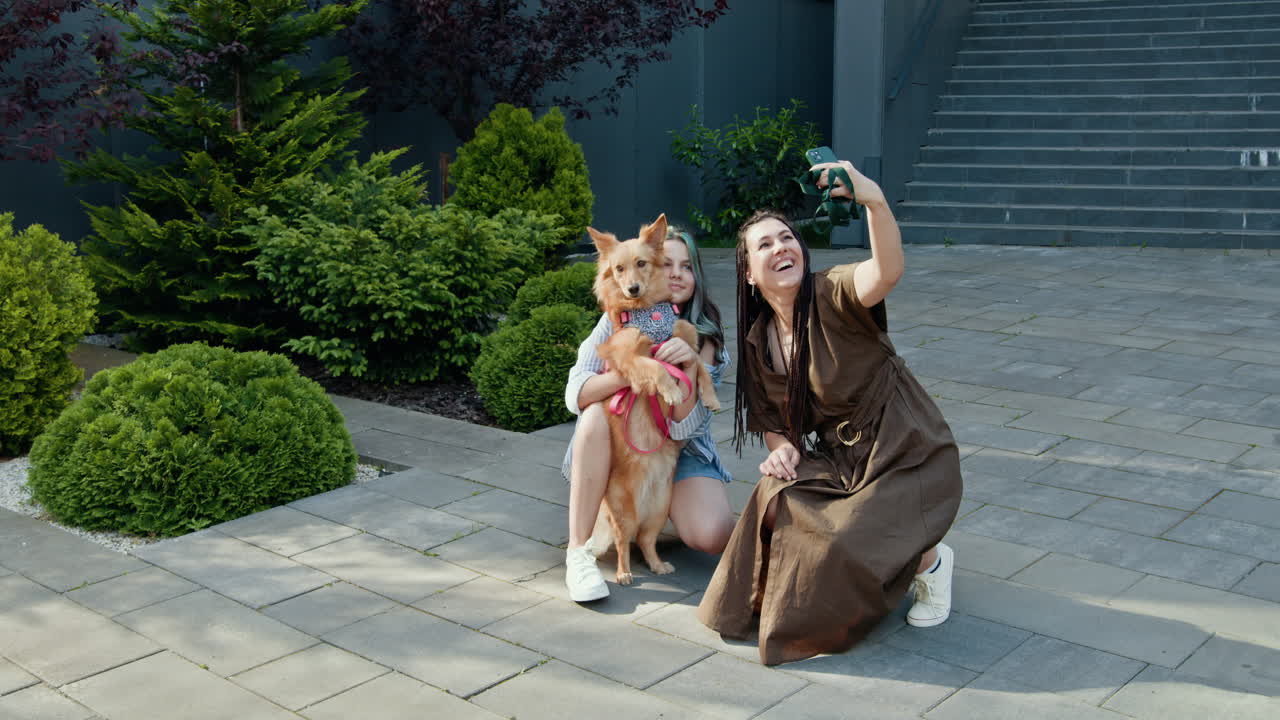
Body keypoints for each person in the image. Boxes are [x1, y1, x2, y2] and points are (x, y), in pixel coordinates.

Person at [695, 159, 963, 665]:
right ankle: (767, 601)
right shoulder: (759, 341)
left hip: (906, 446)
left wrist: (872, 200)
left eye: (787, 238)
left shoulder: (834, 291)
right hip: (843, 457)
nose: (781, 247)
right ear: (749, 275)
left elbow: (888, 270)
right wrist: (781, 454)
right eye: (765, 245)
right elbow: (775, 425)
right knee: (775, 498)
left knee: (843, 538)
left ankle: (929, 561)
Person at [562, 226, 736, 602]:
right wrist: (632, 373)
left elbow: (686, 427)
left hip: (679, 450)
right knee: (591, 416)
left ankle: (654, 513)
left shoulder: (702, 336)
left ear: (697, 276)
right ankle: (577, 550)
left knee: (712, 535)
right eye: (666, 263)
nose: (674, 273)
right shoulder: (617, 319)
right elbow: (575, 393)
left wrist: (689, 365)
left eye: (686, 266)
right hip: (618, 444)